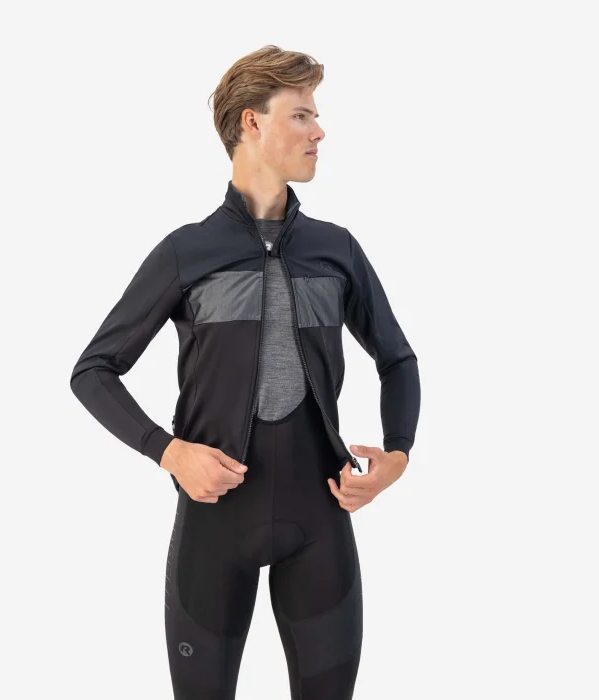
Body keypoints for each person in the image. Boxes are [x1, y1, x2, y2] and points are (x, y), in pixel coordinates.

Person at [70, 44, 421, 700]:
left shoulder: (336, 249)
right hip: (214, 527)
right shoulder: (188, 251)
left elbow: (397, 358)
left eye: (316, 116)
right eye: (302, 115)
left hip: (321, 522)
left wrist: (398, 455)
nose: (319, 131)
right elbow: (94, 370)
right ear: (252, 124)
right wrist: (168, 451)